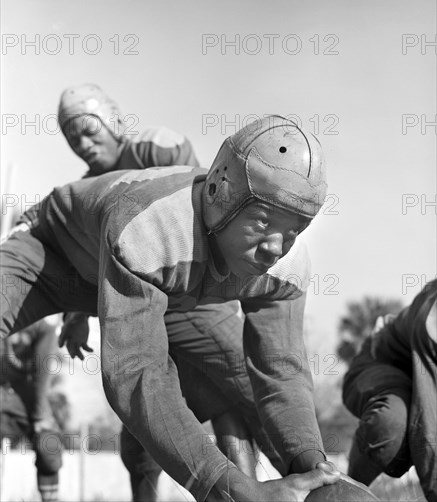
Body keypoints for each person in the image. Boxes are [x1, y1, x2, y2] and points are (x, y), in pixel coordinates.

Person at [1, 115, 340, 502]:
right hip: (54, 256)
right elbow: (137, 376)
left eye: (295, 230)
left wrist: (316, 469)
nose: (275, 248)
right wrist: (230, 490)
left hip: (159, 286)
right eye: (263, 220)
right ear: (219, 192)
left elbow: (280, 370)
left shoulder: (284, 267)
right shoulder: (153, 226)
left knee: (229, 386)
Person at [343, 280, 437, 502]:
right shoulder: (433, 320)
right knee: (390, 425)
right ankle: (344, 492)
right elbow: (429, 427)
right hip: (382, 366)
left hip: (424, 379)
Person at [0, 319, 63, 502]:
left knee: (48, 444)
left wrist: (40, 414)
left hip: (29, 394)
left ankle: (50, 498)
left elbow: (43, 372)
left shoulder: (44, 322)